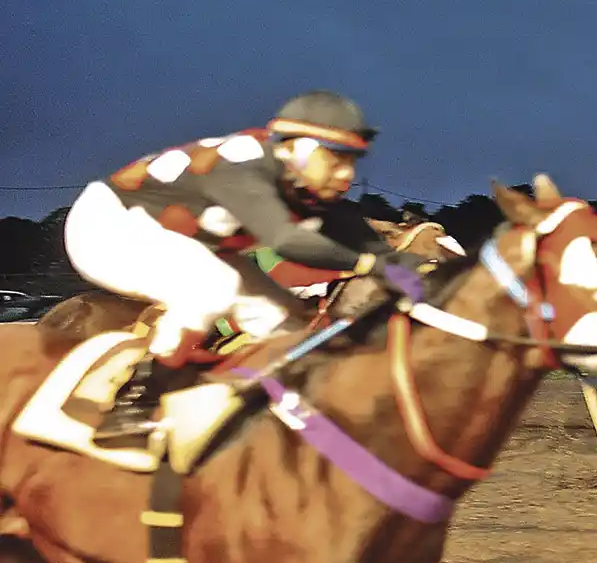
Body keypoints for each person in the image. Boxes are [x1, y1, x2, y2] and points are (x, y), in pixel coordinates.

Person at [63, 91, 428, 440]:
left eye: (351, 161)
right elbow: (287, 242)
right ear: (294, 149)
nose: (346, 174)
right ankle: (133, 403)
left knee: (285, 321)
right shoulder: (246, 166)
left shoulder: (303, 183)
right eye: (335, 159)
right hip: (108, 226)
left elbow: (365, 243)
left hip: (186, 239)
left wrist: (410, 265)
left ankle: (251, 409)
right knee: (213, 287)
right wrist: (368, 264)